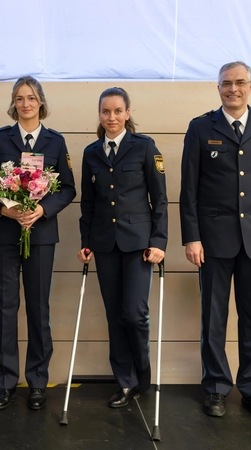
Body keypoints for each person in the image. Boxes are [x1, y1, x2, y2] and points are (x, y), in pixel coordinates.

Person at [179, 61, 251, 420]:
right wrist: (192, 237)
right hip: (212, 241)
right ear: (218, 88)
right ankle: (215, 387)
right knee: (214, 318)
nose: (233, 89)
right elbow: (189, 190)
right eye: (226, 83)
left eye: (240, 82)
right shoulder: (199, 128)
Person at [0, 76, 76, 411]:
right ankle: (4, 383)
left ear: (41, 102)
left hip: (41, 235)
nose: (25, 104)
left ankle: (37, 381)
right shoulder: (0, 139)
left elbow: (68, 189)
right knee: (3, 308)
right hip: (3, 234)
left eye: (31, 98)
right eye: (19, 98)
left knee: (38, 308)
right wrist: (6, 209)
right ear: (13, 104)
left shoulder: (55, 141)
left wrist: (42, 210)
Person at [78, 87, 167, 408]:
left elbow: (159, 200)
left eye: (117, 111)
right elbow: (88, 203)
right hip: (103, 243)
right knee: (115, 315)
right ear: (99, 115)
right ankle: (125, 381)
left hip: (138, 244)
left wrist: (159, 242)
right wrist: (86, 242)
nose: (111, 117)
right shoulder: (91, 153)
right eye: (106, 112)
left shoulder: (144, 147)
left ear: (127, 113)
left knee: (135, 313)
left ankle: (142, 372)